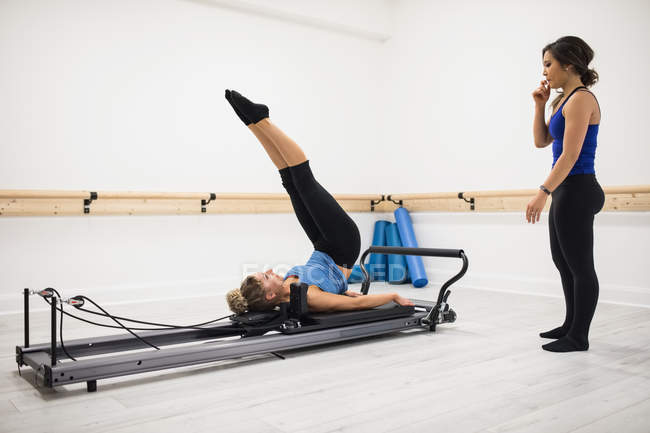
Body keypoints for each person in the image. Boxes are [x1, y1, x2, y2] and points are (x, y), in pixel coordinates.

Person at [224, 90, 414, 314]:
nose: (270, 270)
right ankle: (261, 120)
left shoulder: (285, 292)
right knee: (304, 180)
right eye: (266, 276)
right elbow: (356, 304)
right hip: (342, 245)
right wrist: (393, 295)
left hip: (322, 247)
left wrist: (339, 292)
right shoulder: (309, 297)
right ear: (270, 294)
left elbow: (337, 294)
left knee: (291, 184)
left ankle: (253, 124)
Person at [529, 36, 605, 352]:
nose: (545, 72)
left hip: (579, 188)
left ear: (568, 65)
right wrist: (540, 104)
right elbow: (542, 141)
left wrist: (543, 191)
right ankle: (570, 325)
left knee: (581, 267)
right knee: (563, 263)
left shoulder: (582, 99)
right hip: (566, 190)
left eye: (548, 64)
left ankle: (579, 336)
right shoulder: (563, 100)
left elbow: (570, 155)